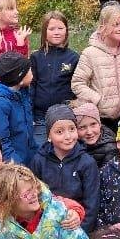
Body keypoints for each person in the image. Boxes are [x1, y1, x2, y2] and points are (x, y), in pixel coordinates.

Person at [30, 105, 100, 233]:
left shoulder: (87, 163)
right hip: (47, 227)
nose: (68, 136)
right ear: (49, 136)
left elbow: (92, 203)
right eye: (59, 132)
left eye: (72, 129)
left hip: (77, 226)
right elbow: (35, 195)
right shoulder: (39, 160)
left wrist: (82, 230)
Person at [72, 3, 120, 131]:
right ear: (103, 27)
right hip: (100, 118)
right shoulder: (90, 53)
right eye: (116, 24)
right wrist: (97, 100)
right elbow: (78, 83)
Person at [30, 11, 79, 146]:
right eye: (51, 29)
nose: (56, 32)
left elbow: (76, 86)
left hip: (64, 115)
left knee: (64, 149)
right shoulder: (37, 57)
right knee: (41, 150)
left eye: (60, 28)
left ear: (66, 31)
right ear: (44, 32)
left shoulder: (73, 57)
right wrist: (30, 113)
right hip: (41, 117)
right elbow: (32, 86)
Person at [0, 51, 36, 165]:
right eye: (29, 69)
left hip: (26, 159)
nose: (32, 72)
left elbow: (27, 135)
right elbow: (0, 143)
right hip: (12, 168)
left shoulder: (21, 94)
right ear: (20, 77)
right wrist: (19, 169)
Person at [73, 102, 117, 169]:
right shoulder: (70, 145)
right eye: (82, 127)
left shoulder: (110, 148)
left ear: (99, 124)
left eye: (93, 124)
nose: (89, 132)